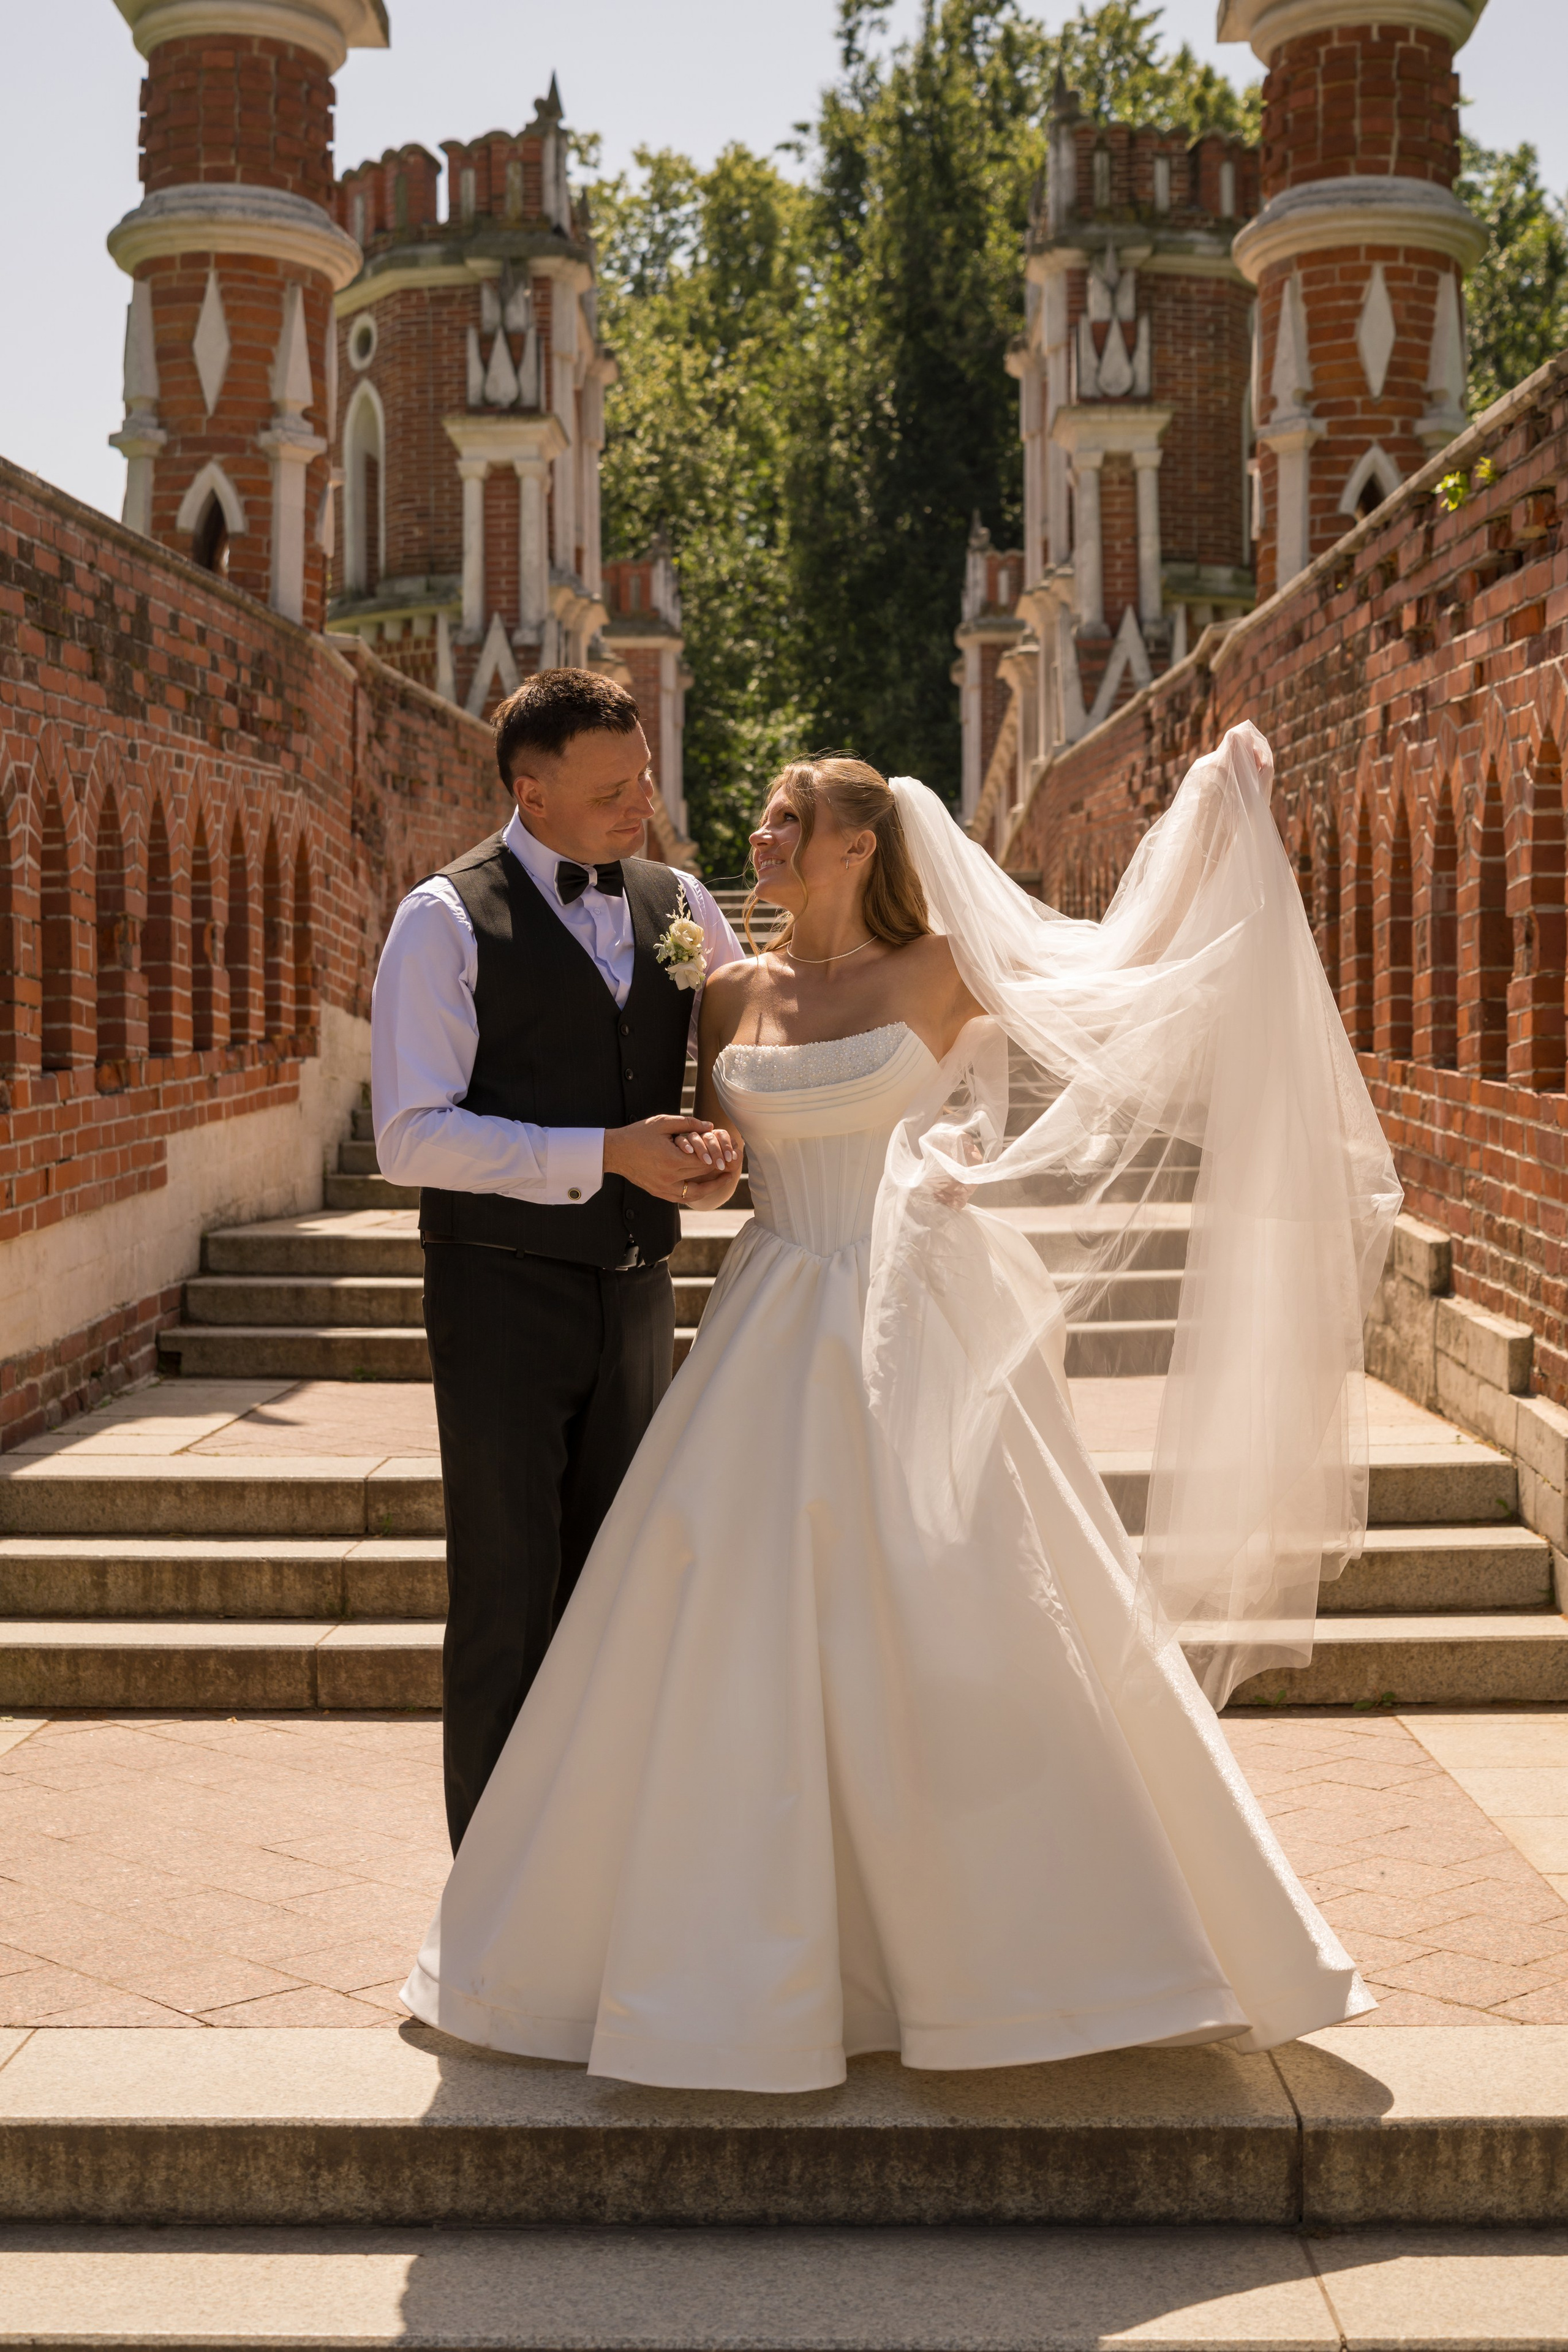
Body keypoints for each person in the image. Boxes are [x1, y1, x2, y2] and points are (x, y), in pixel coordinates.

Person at [402, 729, 1402, 2089]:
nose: (749, 843)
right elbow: (716, 1157)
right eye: (755, 824)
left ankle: (1034, 1957)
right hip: (768, 1316)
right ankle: (712, 1964)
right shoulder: (725, 991)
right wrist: (689, 1170)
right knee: (720, 1626)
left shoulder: (944, 969)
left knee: (968, 1613)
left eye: (778, 822)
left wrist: (1213, 816)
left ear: (856, 844)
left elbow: (1122, 979)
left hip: (912, 1314)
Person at [371, 669, 743, 1852]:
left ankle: (599, 1880)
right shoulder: (442, 919)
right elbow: (407, 1137)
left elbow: (751, 1052)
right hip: (497, 1295)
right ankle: (490, 1891)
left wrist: (725, 1150)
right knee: (506, 1590)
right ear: (529, 794)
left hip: (638, 1295)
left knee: (622, 1594)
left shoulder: (680, 900)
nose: (643, 803)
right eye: (611, 791)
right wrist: (608, 1153)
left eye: (644, 777)